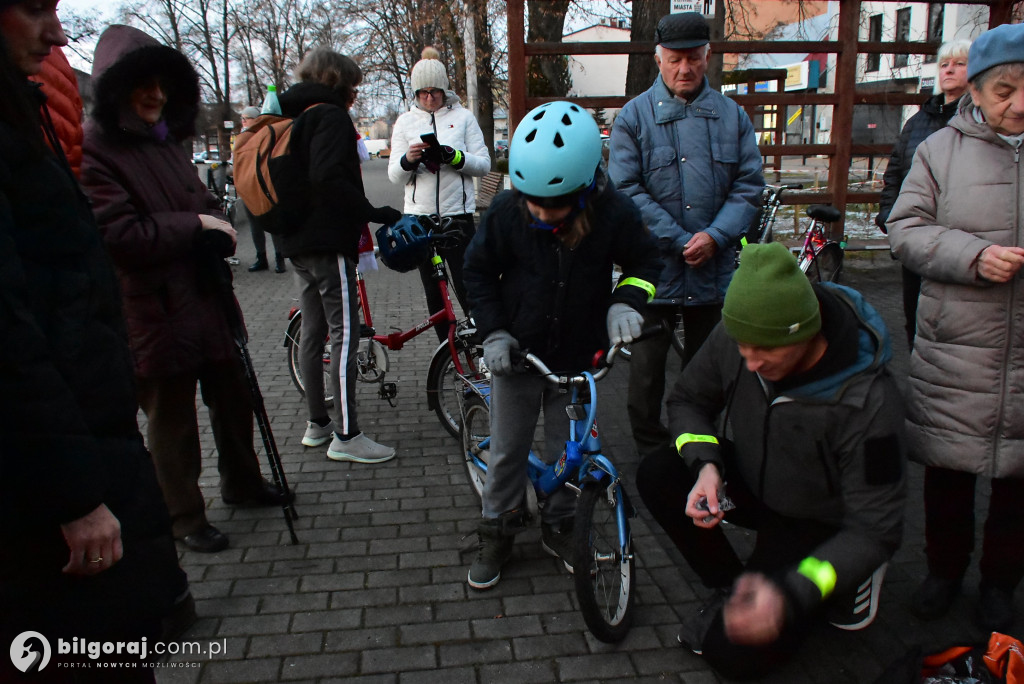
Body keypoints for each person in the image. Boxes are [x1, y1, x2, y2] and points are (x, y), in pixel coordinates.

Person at [0, 2, 190, 678]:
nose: (56, 33)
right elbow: (10, 336)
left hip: (95, 415)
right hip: (61, 462)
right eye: (32, 9)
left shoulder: (29, 116)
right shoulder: (83, 143)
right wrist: (73, 494)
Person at [636, 242, 906, 679]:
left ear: (804, 334)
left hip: (821, 521)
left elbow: (877, 528)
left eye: (764, 352)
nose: (750, 361)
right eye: (742, 347)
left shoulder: (871, 402)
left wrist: (792, 592)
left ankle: (847, 580)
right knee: (658, 472)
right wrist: (707, 466)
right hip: (761, 482)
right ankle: (733, 587)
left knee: (733, 656)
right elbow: (687, 399)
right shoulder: (742, 333)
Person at [80, 25, 289, 555]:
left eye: (161, 84)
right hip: (153, 308)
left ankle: (243, 484)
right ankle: (183, 517)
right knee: (172, 423)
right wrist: (195, 228)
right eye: (141, 85)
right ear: (116, 89)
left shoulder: (168, 141)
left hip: (205, 295)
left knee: (235, 396)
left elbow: (205, 201)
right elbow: (119, 235)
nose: (155, 95)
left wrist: (213, 223)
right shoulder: (95, 149)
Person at [462, 101, 662, 590]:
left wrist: (626, 302)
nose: (542, 214)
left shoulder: (614, 212)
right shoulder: (509, 211)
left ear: (587, 186)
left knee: (566, 446)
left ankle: (559, 523)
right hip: (518, 354)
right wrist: (493, 331)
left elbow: (647, 263)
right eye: (532, 202)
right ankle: (497, 529)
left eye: (554, 206)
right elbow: (478, 273)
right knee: (508, 450)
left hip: (580, 354)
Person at [887, 22, 1024, 633]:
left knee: (1019, 485)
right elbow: (905, 230)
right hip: (957, 345)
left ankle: (1000, 583)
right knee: (948, 472)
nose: (1019, 104)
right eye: (1005, 90)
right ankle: (943, 571)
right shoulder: (939, 150)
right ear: (975, 89)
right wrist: (972, 256)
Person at [608, 11, 764, 460]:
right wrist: (678, 239)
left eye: (694, 58)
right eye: (675, 59)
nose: (685, 69)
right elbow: (624, 189)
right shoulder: (634, 118)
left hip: (714, 273)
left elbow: (750, 185)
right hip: (654, 272)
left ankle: (701, 448)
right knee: (646, 377)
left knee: (711, 373)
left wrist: (715, 236)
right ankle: (652, 454)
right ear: (659, 60)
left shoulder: (732, 116)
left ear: (708, 57)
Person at [276, 47, 402, 463]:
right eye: (353, 86)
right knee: (345, 335)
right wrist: (375, 212)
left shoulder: (292, 115)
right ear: (338, 82)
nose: (354, 94)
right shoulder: (329, 117)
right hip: (327, 241)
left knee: (312, 335)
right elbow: (329, 179)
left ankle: (318, 424)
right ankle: (347, 437)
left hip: (296, 243)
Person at [388, 46, 490, 340]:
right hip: (419, 221)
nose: (429, 97)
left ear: (445, 90)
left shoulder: (464, 117)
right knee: (435, 295)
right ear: (416, 93)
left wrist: (454, 157)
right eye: (423, 92)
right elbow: (394, 174)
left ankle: (480, 351)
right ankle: (446, 354)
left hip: (456, 218)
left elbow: (483, 164)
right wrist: (409, 160)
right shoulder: (406, 122)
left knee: (468, 288)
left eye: (435, 91)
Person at [875, 39, 970, 347]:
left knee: (956, 325)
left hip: (961, 240)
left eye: (959, 64)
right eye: (944, 64)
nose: (949, 70)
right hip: (916, 242)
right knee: (914, 318)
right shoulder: (917, 122)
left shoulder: (978, 123)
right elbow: (894, 174)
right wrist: (892, 220)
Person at [238, 105, 286, 273]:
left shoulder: (265, 135)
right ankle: (261, 257)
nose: (243, 121)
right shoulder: (241, 138)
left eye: (247, 118)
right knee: (254, 224)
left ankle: (280, 257)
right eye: (242, 118)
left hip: (265, 186)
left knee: (272, 220)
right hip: (247, 187)